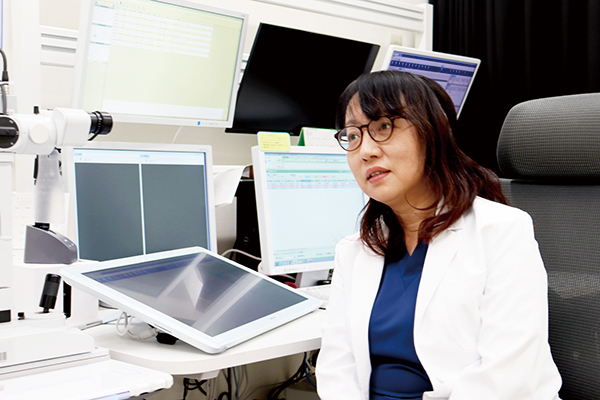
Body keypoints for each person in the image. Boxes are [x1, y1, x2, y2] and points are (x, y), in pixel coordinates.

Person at [315, 70, 562, 400]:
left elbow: (507, 377)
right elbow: (336, 369)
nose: (366, 151)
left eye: (383, 127)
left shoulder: (502, 230)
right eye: (352, 135)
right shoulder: (353, 251)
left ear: (432, 132)